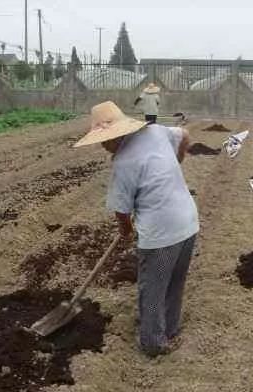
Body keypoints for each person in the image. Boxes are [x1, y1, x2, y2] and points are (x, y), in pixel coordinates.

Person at [74, 101, 198, 357]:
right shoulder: (155, 131)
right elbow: (185, 135)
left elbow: (122, 210)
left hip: (161, 233)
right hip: (188, 222)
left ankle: (153, 343)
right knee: (175, 282)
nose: (103, 145)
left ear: (117, 135)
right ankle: (170, 328)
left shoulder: (123, 162)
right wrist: (176, 162)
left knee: (151, 289)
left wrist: (126, 230)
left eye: (105, 140)